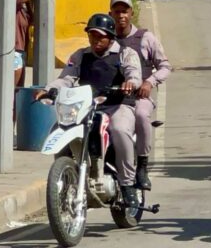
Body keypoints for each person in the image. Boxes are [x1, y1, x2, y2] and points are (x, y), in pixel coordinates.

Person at [34, 14, 143, 208]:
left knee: (120, 130)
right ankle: (68, 178)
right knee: (59, 129)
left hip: (117, 105)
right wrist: (50, 89)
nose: (95, 40)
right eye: (92, 35)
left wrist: (130, 83)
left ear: (110, 37)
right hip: (86, 106)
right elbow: (66, 78)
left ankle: (127, 185)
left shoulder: (125, 54)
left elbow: (134, 74)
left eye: (100, 36)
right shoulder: (80, 56)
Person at [109, 0, 172, 191]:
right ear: (110, 13)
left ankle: (142, 166)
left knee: (142, 115)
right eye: (116, 11)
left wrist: (149, 82)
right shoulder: (106, 39)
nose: (121, 16)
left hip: (137, 97)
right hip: (112, 98)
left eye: (125, 11)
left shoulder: (145, 38)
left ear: (131, 12)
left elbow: (165, 66)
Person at [15, 0, 35, 87]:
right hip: (15, 51)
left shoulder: (22, 7)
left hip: (22, 50)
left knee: (19, 85)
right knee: (15, 87)